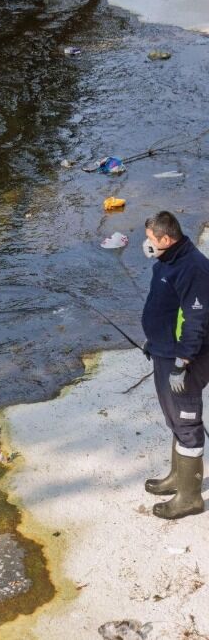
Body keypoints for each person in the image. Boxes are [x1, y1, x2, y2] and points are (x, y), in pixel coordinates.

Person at [141, 211, 209, 519]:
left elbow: (195, 321)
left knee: (186, 421)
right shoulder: (167, 263)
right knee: (173, 417)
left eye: (151, 239)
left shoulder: (193, 269)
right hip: (164, 352)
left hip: (185, 359)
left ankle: (190, 498)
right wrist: (153, 342)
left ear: (166, 239)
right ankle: (176, 478)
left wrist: (183, 361)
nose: (147, 243)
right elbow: (164, 309)